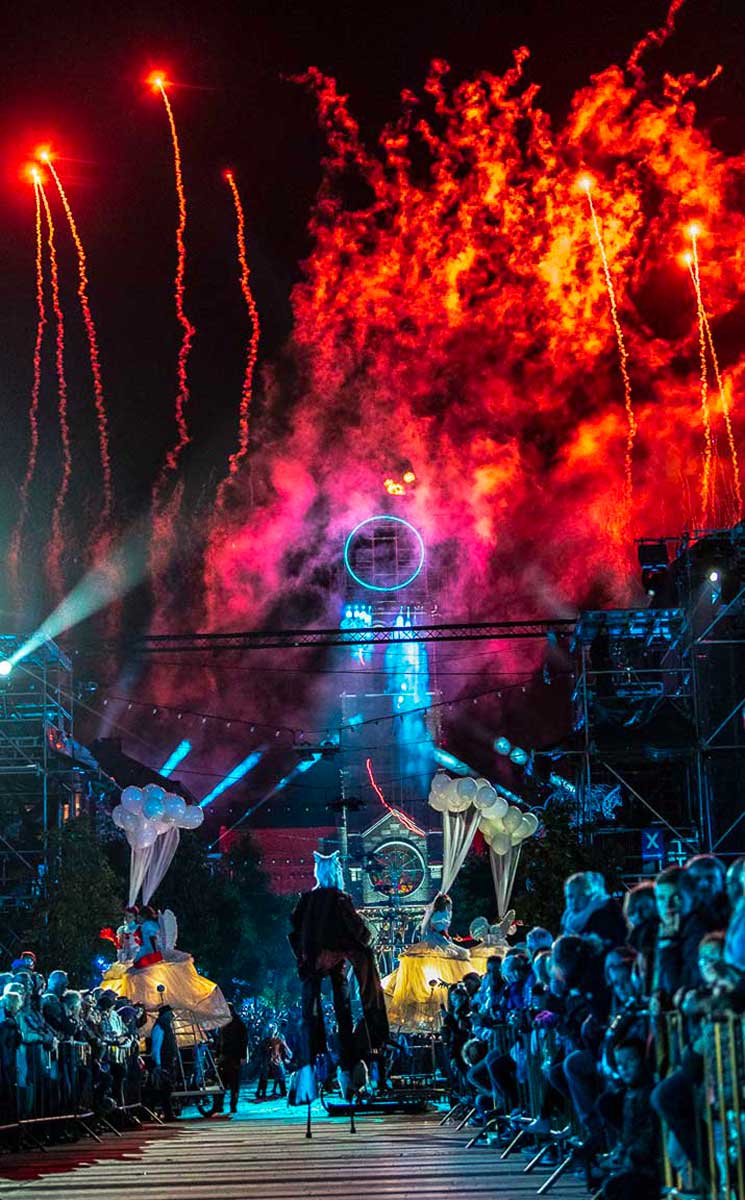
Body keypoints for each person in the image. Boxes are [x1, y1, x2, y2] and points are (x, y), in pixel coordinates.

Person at [289, 850, 389, 1099]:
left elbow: (295, 926)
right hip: (332, 962)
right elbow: (357, 931)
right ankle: (348, 1063)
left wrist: (306, 955)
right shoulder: (339, 899)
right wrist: (366, 938)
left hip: (314, 961)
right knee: (342, 1008)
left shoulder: (306, 900)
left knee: (312, 1011)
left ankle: (313, 1065)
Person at [216, 1002, 249, 1113]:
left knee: (234, 1083)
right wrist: (217, 1054)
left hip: (234, 1057)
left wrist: (243, 1056)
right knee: (222, 1082)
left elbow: (244, 1041)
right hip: (224, 1057)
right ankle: (219, 1105)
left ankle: (233, 1105)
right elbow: (219, 1040)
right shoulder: (223, 1023)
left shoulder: (239, 1023)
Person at [148, 1005, 178, 1120]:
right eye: (170, 1014)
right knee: (164, 1089)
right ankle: (167, 1113)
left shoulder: (166, 1026)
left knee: (165, 1089)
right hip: (163, 1062)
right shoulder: (160, 1027)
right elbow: (156, 1046)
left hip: (168, 1062)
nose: (172, 1016)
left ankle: (166, 1112)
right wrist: (158, 1063)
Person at [255, 1023, 292, 1100]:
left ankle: (283, 1091)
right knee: (264, 1074)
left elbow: (284, 1048)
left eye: (273, 1028)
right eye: (271, 1029)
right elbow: (261, 1050)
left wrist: (287, 1056)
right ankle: (262, 1092)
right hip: (267, 1060)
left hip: (277, 1060)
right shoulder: (265, 1040)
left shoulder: (280, 1037)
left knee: (281, 1075)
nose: (272, 1030)